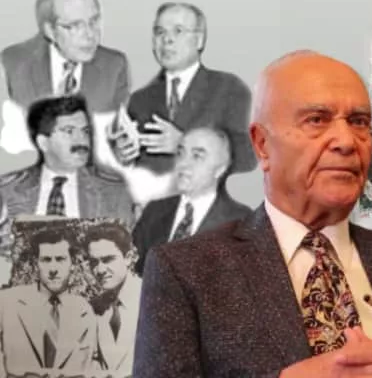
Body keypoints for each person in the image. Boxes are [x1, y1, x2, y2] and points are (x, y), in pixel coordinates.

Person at [133, 50, 372, 377]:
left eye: (359, 122)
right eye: (317, 120)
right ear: (262, 145)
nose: (346, 141)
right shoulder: (188, 271)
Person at [111, 2, 256, 176]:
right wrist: (123, 156)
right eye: (160, 32)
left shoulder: (228, 88)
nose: (167, 39)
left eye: (178, 31)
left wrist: (185, 143)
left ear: (199, 40)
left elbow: (248, 158)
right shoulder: (139, 99)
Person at [0, 95, 134, 227]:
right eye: (69, 131)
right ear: (43, 142)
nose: (81, 140)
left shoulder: (112, 193)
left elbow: (124, 239)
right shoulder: (7, 190)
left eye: (85, 131)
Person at [132, 127, 252, 274]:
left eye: (197, 156)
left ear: (220, 169)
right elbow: (130, 272)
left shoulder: (240, 222)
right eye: (180, 153)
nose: (183, 164)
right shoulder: (155, 210)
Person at [1, 0, 130, 112]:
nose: (90, 34)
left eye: (94, 21)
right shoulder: (12, 64)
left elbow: (117, 122)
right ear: (50, 31)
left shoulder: (114, 66)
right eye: (75, 26)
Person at [0, 228, 96, 376]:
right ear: (36, 263)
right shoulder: (7, 303)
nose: (53, 269)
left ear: (72, 263)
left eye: (60, 259)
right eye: (46, 260)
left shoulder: (84, 311)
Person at [84, 223, 142, 376]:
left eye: (108, 259)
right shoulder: (94, 308)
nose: (100, 270)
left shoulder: (154, 299)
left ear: (128, 258)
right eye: (94, 262)